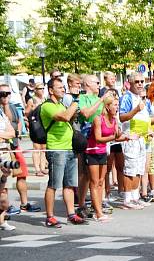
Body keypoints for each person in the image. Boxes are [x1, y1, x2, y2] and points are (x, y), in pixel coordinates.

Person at [41, 77, 84, 227]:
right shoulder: (47, 106)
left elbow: (70, 118)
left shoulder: (60, 104)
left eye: (63, 87)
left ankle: (71, 214)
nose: (63, 90)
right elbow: (65, 117)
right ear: (51, 90)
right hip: (56, 149)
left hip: (69, 148)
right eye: (59, 87)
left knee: (70, 184)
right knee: (53, 184)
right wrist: (76, 101)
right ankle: (50, 216)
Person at [1, 84, 40, 213]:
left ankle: (24, 203)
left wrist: (17, 131)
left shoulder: (12, 106)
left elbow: (16, 121)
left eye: (7, 93)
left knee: (22, 174)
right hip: (3, 147)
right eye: (2, 93)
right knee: (4, 178)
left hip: (14, 145)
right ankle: (5, 205)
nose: (5, 96)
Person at [87, 93, 126, 222]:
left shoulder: (114, 120)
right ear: (108, 106)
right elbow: (98, 139)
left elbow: (117, 136)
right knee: (94, 182)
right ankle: (98, 213)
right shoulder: (99, 119)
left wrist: (127, 137)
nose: (117, 107)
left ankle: (98, 208)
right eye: (115, 105)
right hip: (93, 151)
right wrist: (114, 137)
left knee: (100, 181)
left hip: (103, 152)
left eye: (117, 105)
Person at [76, 75, 110, 219]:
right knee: (84, 174)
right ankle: (82, 204)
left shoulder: (98, 100)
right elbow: (86, 113)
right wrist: (101, 100)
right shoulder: (82, 98)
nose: (99, 85)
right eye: (97, 82)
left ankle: (98, 204)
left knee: (97, 176)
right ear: (88, 84)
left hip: (99, 141)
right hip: (85, 140)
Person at [118, 73, 150, 209]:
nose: (140, 84)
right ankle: (127, 198)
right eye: (137, 81)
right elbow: (122, 117)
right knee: (130, 168)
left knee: (139, 168)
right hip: (130, 137)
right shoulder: (127, 97)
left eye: (142, 81)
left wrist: (149, 129)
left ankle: (135, 196)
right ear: (130, 83)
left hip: (142, 138)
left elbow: (146, 118)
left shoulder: (142, 98)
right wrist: (136, 109)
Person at [24, 83, 48, 176]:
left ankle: (42, 168)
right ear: (35, 90)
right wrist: (33, 109)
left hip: (43, 125)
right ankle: (37, 169)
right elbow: (26, 112)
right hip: (35, 125)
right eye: (40, 88)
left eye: (43, 88)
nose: (42, 90)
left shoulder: (45, 99)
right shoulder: (32, 100)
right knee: (36, 147)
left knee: (44, 148)